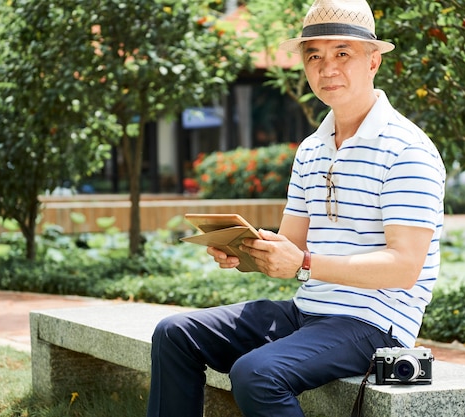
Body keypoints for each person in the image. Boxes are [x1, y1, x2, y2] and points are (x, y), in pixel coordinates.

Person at [146, 0, 445, 415]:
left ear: (373, 60)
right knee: (174, 332)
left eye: (343, 53)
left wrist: (304, 263)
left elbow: (404, 266)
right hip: (308, 311)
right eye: (314, 55)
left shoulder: (407, 149)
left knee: (256, 373)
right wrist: (244, 249)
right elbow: (290, 245)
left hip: (375, 324)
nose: (327, 68)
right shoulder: (311, 149)